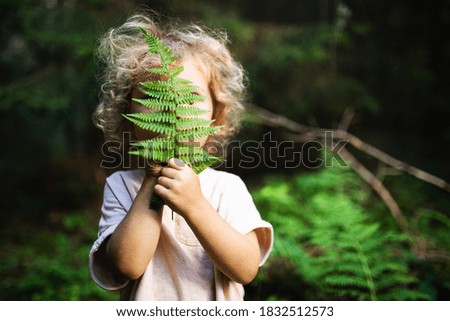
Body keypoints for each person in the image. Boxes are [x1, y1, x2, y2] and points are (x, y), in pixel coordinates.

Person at [89, 12, 273, 301]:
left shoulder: (227, 188)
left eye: (191, 97)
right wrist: (152, 180)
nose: (172, 109)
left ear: (217, 114)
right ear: (128, 119)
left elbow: (246, 269)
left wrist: (196, 205)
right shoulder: (122, 185)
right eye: (153, 97)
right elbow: (127, 265)